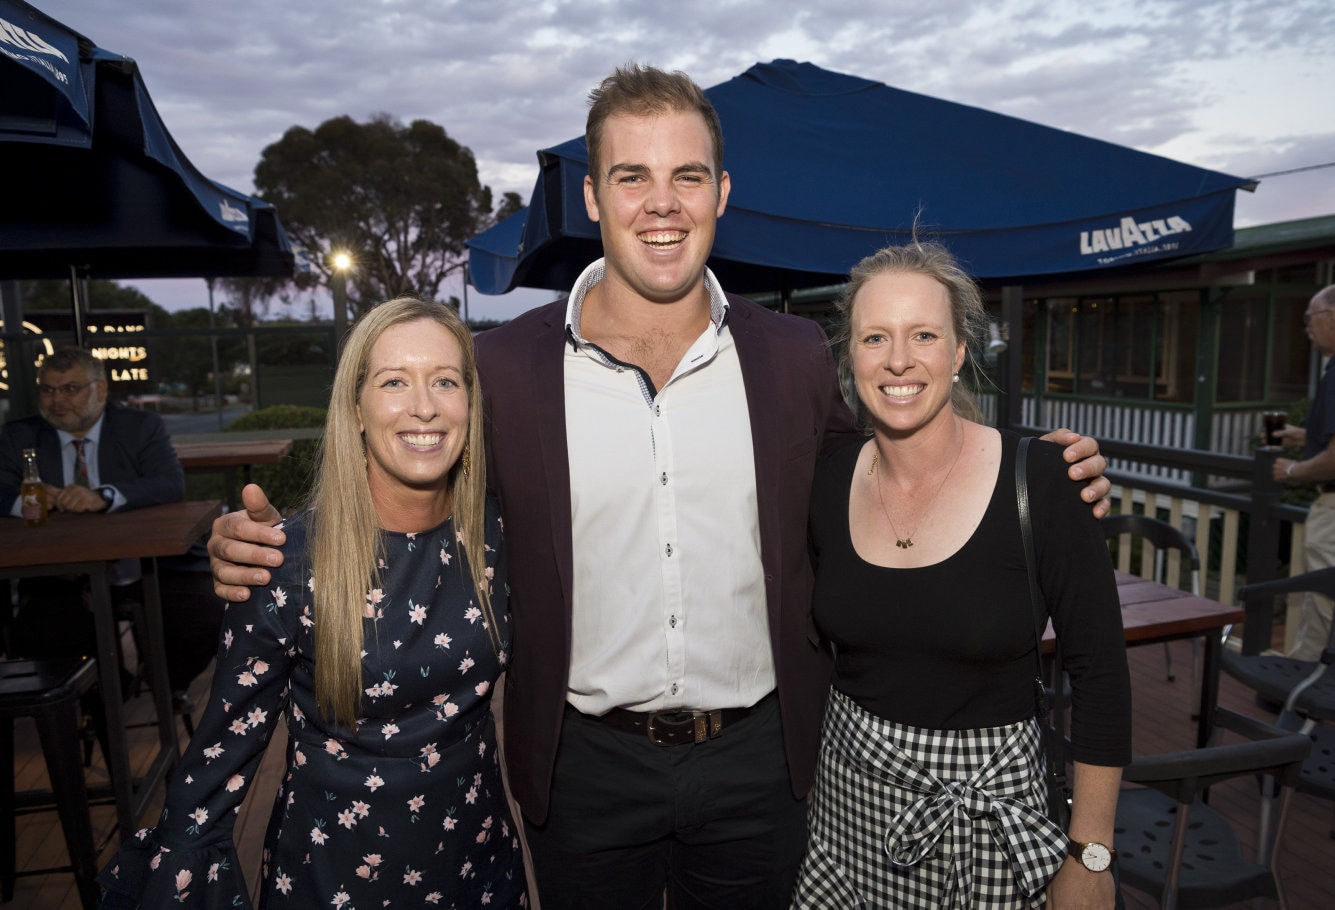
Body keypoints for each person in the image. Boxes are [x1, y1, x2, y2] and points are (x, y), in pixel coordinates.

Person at [206, 64, 1112, 907]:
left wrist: (1032, 475)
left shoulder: (791, 356)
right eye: (632, 176)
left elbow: (889, 460)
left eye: (688, 175)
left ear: (721, 194)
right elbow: (410, 469)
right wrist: (260, 541)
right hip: (585, 770)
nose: (662, 204)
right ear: (594, 198)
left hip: (763, 765)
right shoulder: (507, 367)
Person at [96, 298, 527, 908]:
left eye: (446, 381)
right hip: (333, 877)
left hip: (477, 867)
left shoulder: (501, 541)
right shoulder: (287, 563)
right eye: (394, 381)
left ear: (470, 404)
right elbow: (219, 760)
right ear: (355, 407)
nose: (424, 405)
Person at [791, 241, 1130, 909]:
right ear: (849, 358)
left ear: (958, 352)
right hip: (846, 812)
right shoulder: (826, 479)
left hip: (987, 828)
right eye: (874, 337)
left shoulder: (1045, 481)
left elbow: (1102, 674)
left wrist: (1089, 855)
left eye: (924, 334)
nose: (898, 359)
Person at [0, 346, 218, 702]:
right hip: (61, 577)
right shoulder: (19, 436)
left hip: (151, 568)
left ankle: (165, 681)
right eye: (47, 389)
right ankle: (109, 693)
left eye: (69, 389)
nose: (57, 399)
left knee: (204, 616)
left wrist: (105, 495)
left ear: (100, 390)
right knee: (40, 634)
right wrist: (33, 499)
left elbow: (169, 484)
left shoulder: (140, 426)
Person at [1271, 281, 1335, 659]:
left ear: (1334, 318)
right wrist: (1308, 435)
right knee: (1324, 603)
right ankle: (1301, 689)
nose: (1307, 330)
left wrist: (1292, 472)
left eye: (1310, 320)